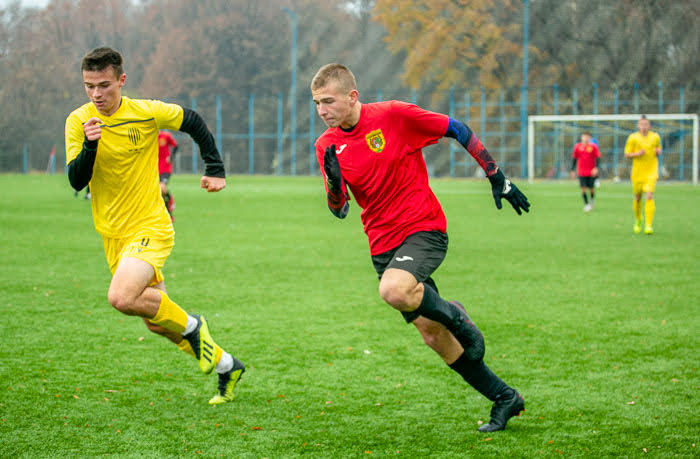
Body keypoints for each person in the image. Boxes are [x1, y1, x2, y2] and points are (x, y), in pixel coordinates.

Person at [311, 63, 530, 432]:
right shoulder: (326, 146)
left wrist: (496, 175)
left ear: (352, 96)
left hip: (423, 228)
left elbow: (457, 129)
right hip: (382, 245)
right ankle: (505, 398)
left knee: (393, 290)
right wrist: (334, 182)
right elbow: (340, 210)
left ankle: (457, 315)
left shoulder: (394, 116)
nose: (321, 111)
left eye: (328, 101)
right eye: (316, 103)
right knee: (433, 335)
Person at [64, 47, 244, 405]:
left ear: (121, 81)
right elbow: (76, 180)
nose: (97, 95)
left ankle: (195, 326)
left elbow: (191, 120)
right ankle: (227, 365)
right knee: (156, 320)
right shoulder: (79, 121)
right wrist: (89, 145)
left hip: (151, 225)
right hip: (112, 234)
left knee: (121, 297)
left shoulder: (144, 112)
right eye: (89, 86)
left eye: (104, 85)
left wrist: (215, 168)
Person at [624, 116, 661, 234]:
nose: (644, 127)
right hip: (637, 173)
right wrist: (637, 154)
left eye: (646, 124)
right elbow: (627, 154)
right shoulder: (633, 138)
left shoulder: (655, 137)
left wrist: (658, 151)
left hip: (651, 172)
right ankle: (638, 219)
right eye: (642, 124)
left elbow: (658, 148)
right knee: (638, 198)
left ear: (649, 126)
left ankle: (649, 225)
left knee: (649, 195)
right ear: (638, 126)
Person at [569, 132, 601, 212]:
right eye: (584, 136)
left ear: (590, 138)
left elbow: (597, 158)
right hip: (581, 172)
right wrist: (572, 170)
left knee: (591, 189)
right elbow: (574, 159)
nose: (585, 138)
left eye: (587, 137)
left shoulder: (593, 147)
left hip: (591, 172)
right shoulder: (577, 147)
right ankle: (586, 204)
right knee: (583, 189)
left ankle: (592, 200)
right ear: (581, 137)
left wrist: (596, 168)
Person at [158, 130, 178, 220]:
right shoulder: (147, 136)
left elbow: (176, 146)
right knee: (158, 192)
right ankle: (167, 214)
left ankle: (170, 207)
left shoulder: (165, 136)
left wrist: (171, 157)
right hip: (153, 168)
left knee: (162, 188)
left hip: (165, 168)